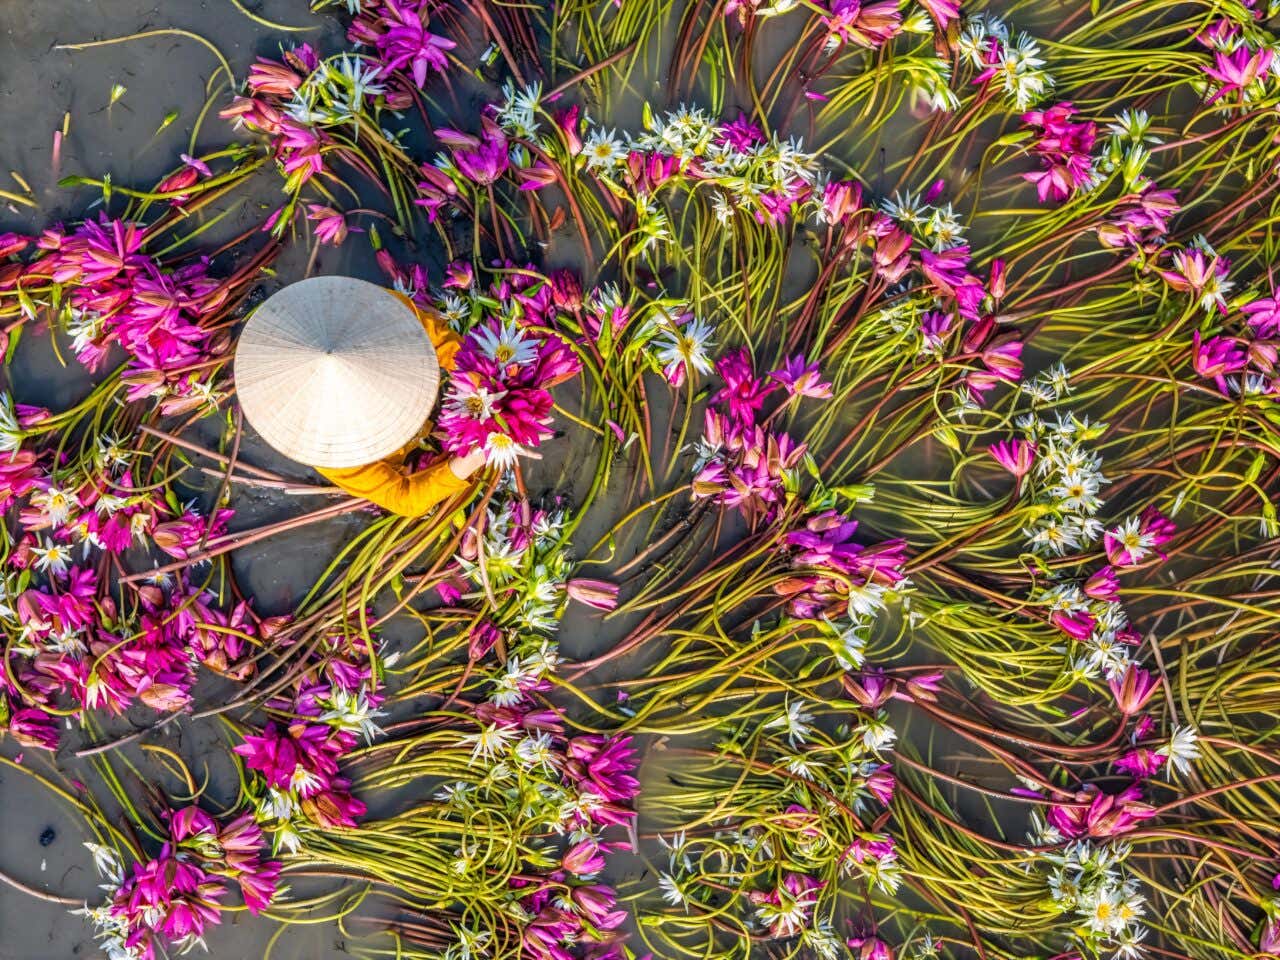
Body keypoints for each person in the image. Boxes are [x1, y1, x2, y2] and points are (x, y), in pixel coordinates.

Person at [233, 276, 486, 517]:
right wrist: (473, 457)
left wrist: (483, 385)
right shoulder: (334, 454)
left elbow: (442, 344)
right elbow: (407, 499)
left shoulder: (383, 313)